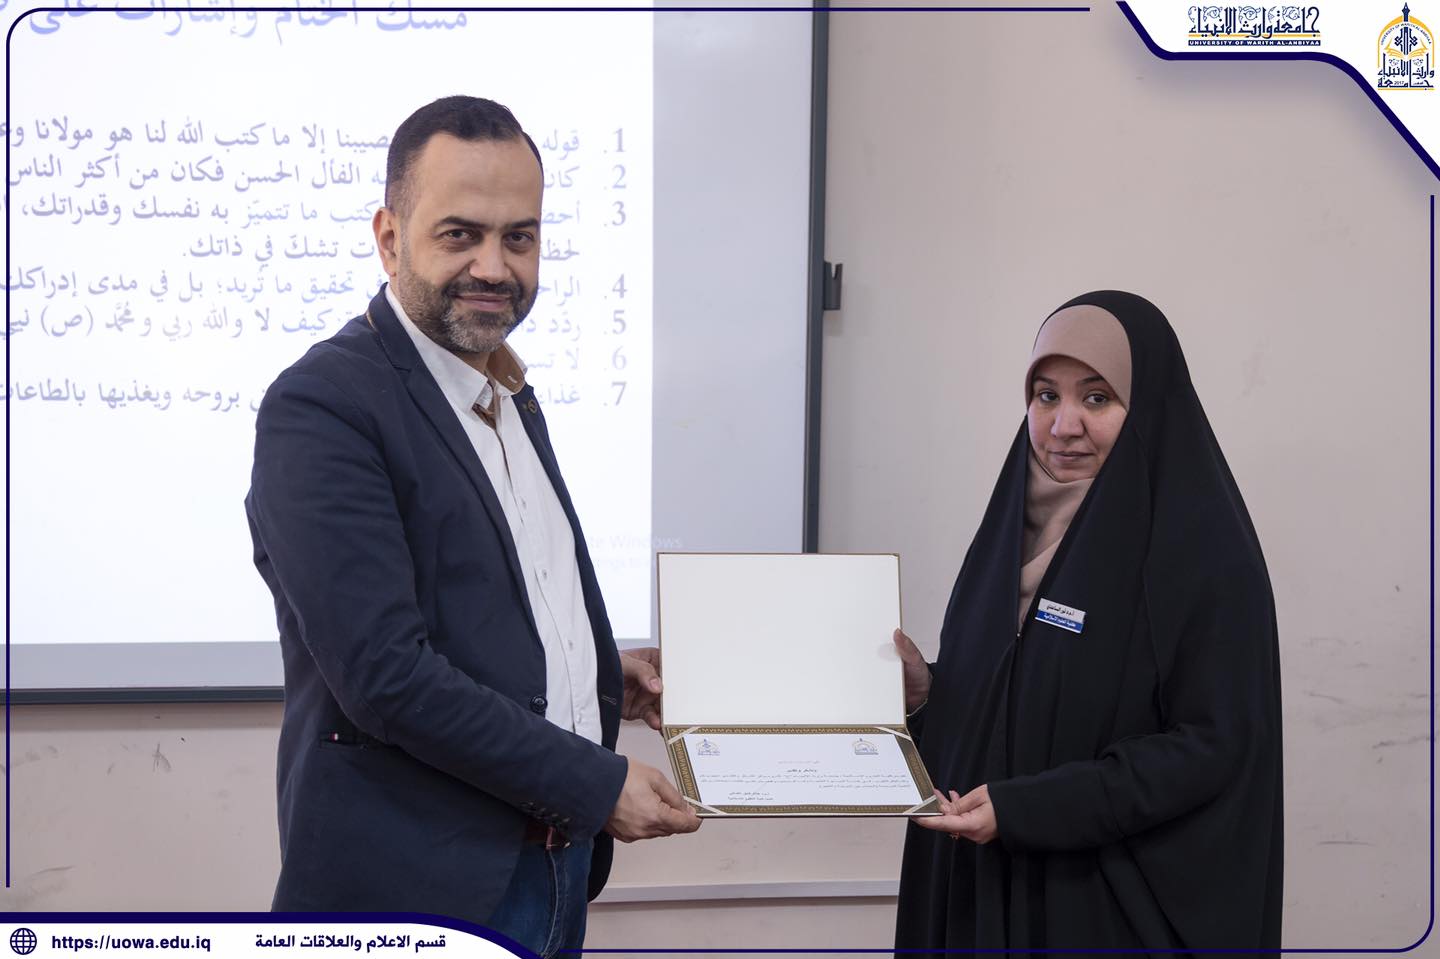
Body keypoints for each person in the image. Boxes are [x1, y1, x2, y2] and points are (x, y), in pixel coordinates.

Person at [244, 96, 699, 951]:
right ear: (389, 237)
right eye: (461, 234)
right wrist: (596, 782)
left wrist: (596, 672)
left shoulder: (507, 392)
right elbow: (385, 675)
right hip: (415, 895)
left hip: (551, 872)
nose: (495, 266)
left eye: (519, 237)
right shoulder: (322, 406)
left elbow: (487, 602)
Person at [891, 291, 1283, 954]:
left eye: (1097, 398)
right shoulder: (1003, 543)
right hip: (979, 897)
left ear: (1145, 407)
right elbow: (1015, 704)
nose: (1063, 425)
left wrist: (1032, 808)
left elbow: (1213, 747)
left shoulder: (1206, 558)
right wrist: (929, 696)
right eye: (1046, 395)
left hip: (1100, 913)